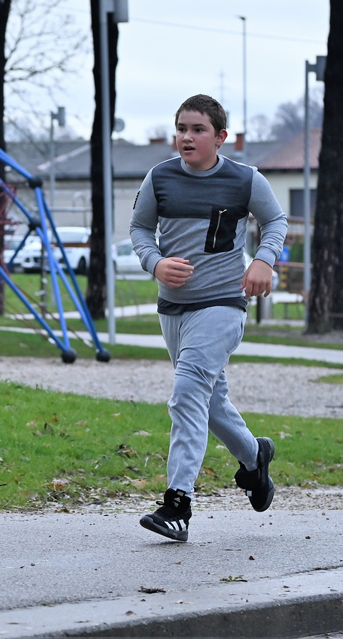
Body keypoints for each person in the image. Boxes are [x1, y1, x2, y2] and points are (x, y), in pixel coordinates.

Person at [129, 94, 287, 542]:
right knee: (210, 400)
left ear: (220, 137)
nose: (186, 137)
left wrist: (264, 260)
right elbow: (140, 229)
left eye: (197, 129)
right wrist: (155, 263)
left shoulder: (245, 179)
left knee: (186, 395)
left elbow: (275, 221)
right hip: (173, 308)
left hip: (222, 304)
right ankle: (254, 458)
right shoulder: (160, 177)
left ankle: (177, 504)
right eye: (181, 128)